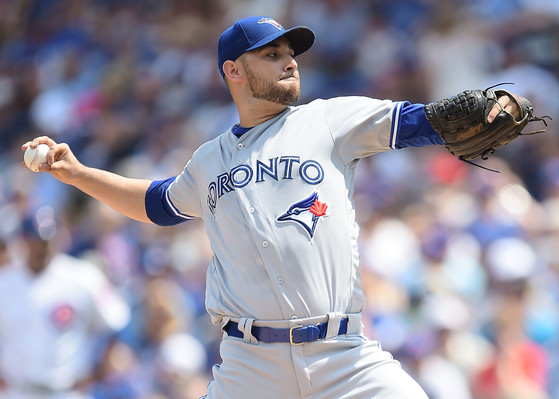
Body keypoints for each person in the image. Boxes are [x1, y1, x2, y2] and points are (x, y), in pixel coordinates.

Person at [22, 16, 525, 399]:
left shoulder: (329, 120)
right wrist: (77, 173)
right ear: (233, 70)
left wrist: (482, 111)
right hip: (249, 366)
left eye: (291, 52)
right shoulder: (208, 160)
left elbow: (417, 121)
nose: (290, 61)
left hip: (342, 356)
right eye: (272, 54)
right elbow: (157, 204)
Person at [0, 207, 131, 399]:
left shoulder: (82, 277)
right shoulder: (5, 281)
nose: (42, 247)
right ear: (23, 240)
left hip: (66, 391)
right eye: (36, 241)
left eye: (47, 240)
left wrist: (98, 371)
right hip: (16, 391)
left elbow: (117, 321)